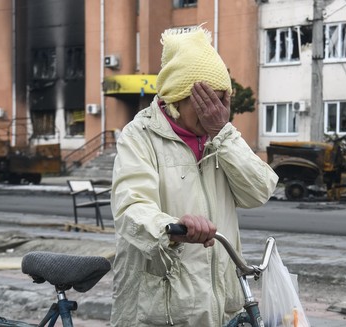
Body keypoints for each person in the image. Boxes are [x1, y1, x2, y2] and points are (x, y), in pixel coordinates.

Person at [109, 26, 278, 327]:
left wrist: (224, 134)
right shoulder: (140, 135)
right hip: (162, 310)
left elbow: (259, 191)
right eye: (206, 102)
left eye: (223, 101)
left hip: (220, 309)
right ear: (177, 99)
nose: (216, 111)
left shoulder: (220, 138)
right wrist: (171, 228)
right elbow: (130, 208)